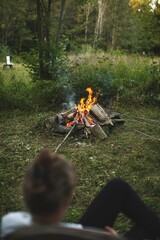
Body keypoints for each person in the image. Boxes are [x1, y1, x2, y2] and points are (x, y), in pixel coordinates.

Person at [1, 149, 160, 239]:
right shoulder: (98, 237)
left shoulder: (9, 225)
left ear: (25, 192)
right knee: (119, 189)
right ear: (67, 199)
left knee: (117, 187)